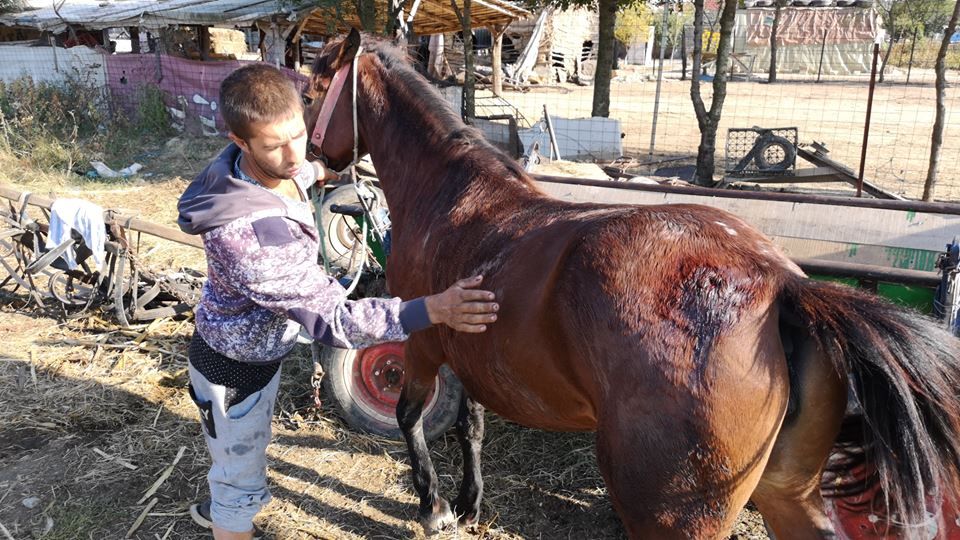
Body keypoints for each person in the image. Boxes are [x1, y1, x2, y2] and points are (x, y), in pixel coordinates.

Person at [177, 63, 499, 540]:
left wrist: (318, 170)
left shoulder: (242, 167)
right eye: (274, 145)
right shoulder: (250, 240)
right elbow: (336, 321)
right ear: (240, 140)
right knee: (239, 482)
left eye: (297, 135)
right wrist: (430, 309)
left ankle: (227, 491)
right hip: (234, 372)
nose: (291, 154)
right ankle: (228, 514)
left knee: (242, 453)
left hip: (257, 353)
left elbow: (293, 172)